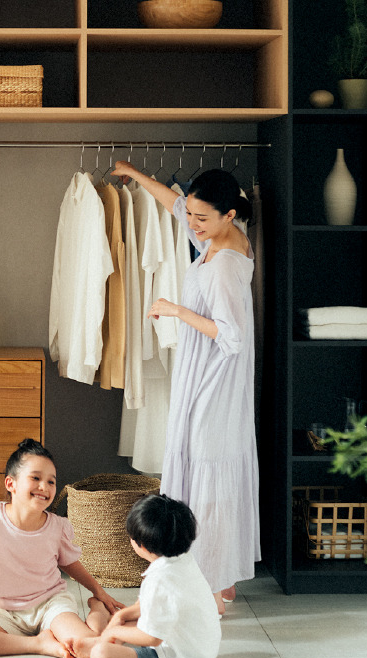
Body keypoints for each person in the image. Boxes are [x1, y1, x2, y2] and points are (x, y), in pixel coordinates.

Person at [110, 160, 260, 614]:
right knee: (208, 469)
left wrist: (176, 311)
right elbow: (175, 205)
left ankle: (212, 586)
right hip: (205, 373)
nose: (191, 223)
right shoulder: (218, 236)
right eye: (192, 215)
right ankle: (222, 578)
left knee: (208, 470)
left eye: (200, 217)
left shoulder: (225, 267)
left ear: (229, 214)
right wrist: (134, 175)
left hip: (215, 380)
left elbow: (231, 336)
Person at [0, 439, 126, 658]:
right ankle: (37, 644)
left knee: (86, 649)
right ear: (10, 484)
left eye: (51, 481)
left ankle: (97, 610)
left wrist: (98, 592)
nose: (44, 487)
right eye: (35, 478)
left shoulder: (56, 526)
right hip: (1, 610)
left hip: (49, 604)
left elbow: (69, 563)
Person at [77, 494, 222, 658]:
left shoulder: (159, 581)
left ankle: (101, 643)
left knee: (101, 656)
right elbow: (151, 606)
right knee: (127, 619)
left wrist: (114, 631)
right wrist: (122, 615)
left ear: (140, 545)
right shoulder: (183, 559)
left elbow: (152, 638)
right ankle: (104, 639)